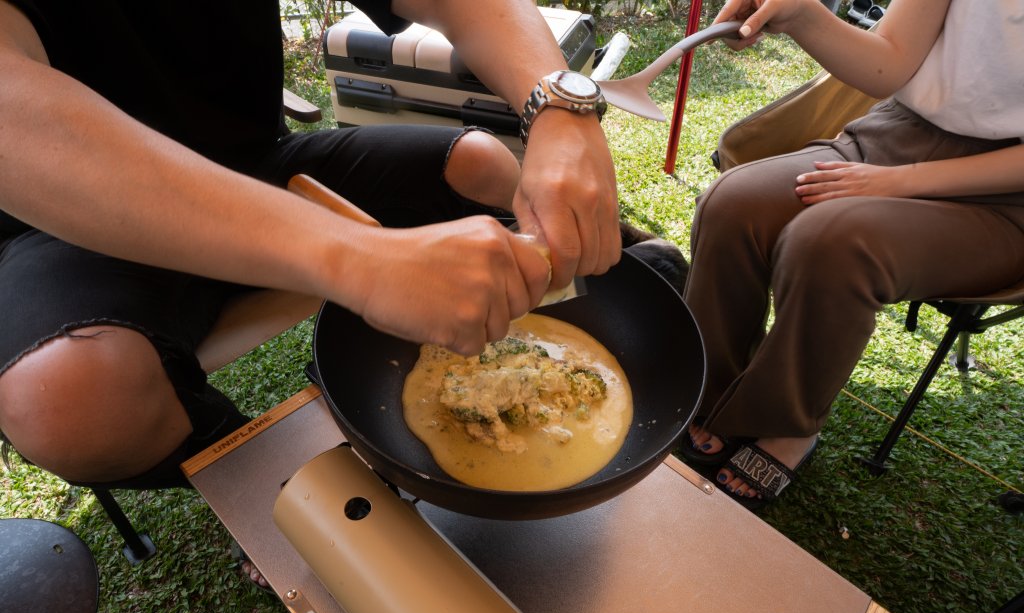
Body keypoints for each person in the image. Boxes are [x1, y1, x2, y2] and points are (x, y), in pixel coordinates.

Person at [0, 1, 686, 505]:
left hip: (253, 161)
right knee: (65, 399)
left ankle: (623, 257)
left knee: (479, 161)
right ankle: (293, 487)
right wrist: (358, 258)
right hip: (62, 224)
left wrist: (559, 103)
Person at [679, 0, 1024, 509]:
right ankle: (707, 391)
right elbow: (890, 62)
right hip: (899, 134)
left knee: (832, 243)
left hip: (1003, 196)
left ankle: (788, 427)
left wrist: (901, 183)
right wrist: (801, 15)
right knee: (733, 205)